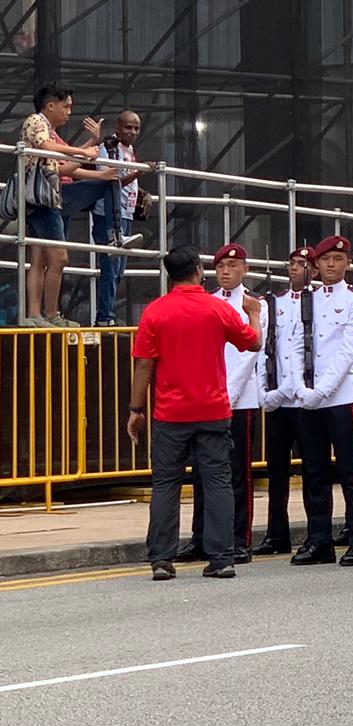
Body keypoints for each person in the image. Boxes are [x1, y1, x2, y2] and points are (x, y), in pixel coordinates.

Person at [129, 246, 262, 580]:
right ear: (198, 271)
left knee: (165, 483)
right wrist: (255, 314)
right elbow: (253, 342)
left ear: (168, 274)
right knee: (218, 481)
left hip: (171, 412)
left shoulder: (155, 312)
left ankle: (161, 558)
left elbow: (144, 364)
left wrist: (136, 408)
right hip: (213, 408)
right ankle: (222, 557)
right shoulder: (215, 308)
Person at [174, 243, 260, 565]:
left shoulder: (252, 303)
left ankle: (240, 538)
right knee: (202, 473)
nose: (225, 272)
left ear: (244, 269)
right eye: (220, 266)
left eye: (233, 266)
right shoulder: (207, 302)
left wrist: (230, 393)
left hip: (239, 397)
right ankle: (202, 536)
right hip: (209, 399)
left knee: (237, 473)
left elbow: (251, 351)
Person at [292, 236, 353, 566]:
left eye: (338, 259)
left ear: (347, 264)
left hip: (340, 396)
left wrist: (322, 390)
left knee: (351, 472)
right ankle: (319, 540)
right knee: (314, 472)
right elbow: (296, 345)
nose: (330, 265)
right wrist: (299, 386)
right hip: (309, 397)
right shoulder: (306, 298)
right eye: (325, 259)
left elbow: (348, 351)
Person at [17, 83, 119, 327]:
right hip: (42, 198)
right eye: (66, 106)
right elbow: (48, 149)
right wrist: (84, 152)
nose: (69, 112)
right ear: (51, 105)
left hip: (44, 196)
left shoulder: (48, 129)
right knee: (59, 258)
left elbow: (62, 165)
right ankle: (47, 315)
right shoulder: (36, 122)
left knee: (40, 258)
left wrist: (89, 152)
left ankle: (36, 314)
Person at [254, 245, 311, 553]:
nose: (294, 269)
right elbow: (266, 348)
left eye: (302, 264)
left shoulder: (316, 302)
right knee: (277, 471)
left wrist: (289, 389)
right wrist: (265, 390)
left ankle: (317, 531)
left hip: (303, 398)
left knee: (312, 471)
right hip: (277, 399)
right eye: (291, 263)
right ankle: (277, 533)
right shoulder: (273, 303)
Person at [92, 110, 145, 325]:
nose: (132, 132)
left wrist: (142, 193)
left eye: (136, 128)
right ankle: (105, 316)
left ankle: (108, 313)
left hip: (127, 212)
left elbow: (126, 180)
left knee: (119, 269)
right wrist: (139, 172)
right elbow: (109, 181)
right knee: (110, 266)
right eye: (128, 127)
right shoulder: (108, 148)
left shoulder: (129, 149)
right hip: (109, 214)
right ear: (117, 127)